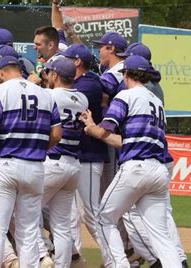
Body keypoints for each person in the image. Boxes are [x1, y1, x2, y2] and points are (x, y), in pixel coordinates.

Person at [80, 55, 181, 268]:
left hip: (135, 167)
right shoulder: (157, 103)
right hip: (158, 171)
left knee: (104, 218)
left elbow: (106, 128)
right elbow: (126, 140)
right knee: (161, 235)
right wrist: (94, 129)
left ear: (126, 74)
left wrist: (90, 126)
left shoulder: (125, 96)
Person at [0, 56, 62, 267]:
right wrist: (36, 148)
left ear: (0, 73)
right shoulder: (45, 94)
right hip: (35, 168)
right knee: (27, 233)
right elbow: (56, 135)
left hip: (6, 166)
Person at [116, 42, 189, 268]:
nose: (123, 63)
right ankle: (178, 261)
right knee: (162, 216)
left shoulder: (138, 89)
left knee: (131, 213)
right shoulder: (154, 87)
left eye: (127, 59)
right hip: (160, 157)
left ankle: (157, 260)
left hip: (146, 156)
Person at [36, 58, 88, 268]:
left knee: (22, 212)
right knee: (62, 226)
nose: (47, 75)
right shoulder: (82, 98)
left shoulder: (48, 94)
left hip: (52, 162)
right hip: (73, 167)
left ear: (55, 75)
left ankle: (42, 254)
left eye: (49, 72)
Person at [61, 44, 109, 265]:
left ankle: (116, 259)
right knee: (71, 215)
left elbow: (71, 102)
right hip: (79, 155)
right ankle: (74, 258)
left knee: (91, 213)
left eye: (67, 59)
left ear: (77, 61)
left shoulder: (89, 84)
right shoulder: (82, 83)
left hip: (90, 155)